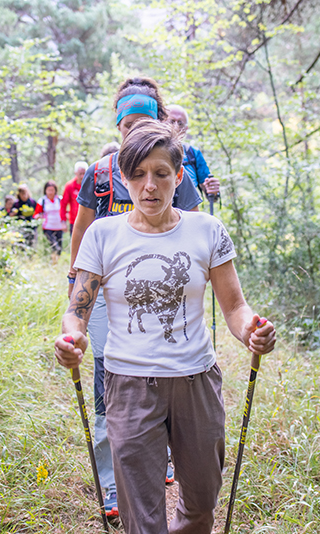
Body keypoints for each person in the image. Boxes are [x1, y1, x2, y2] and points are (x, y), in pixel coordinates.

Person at [55, 120, 276, 533]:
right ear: (123, 179)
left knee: (201, 503)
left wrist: (252, 331)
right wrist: (72, 338)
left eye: (160, 174)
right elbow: (76, 312)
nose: (149, 186)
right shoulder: (102, 235)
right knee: (141, 511)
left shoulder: (207, 230)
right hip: (130, 384)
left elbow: (235, 308)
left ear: (179, 176)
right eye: (137, 175)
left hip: (196, 381)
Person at [68, 77, 203, 518]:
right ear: (119, 126)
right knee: (110, 374)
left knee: (164, 370)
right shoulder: (102, 172)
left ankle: (158, 449)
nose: (134, 129)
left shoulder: (171, 169)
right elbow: (82, 229)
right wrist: (78, 295)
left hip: (165, 292)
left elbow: (195, 233)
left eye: (143, 120)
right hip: (108, 292)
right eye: (127, 123)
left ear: (160, 121)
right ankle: (113, 482)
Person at [166, 105, 220, 199]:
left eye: (180, 123)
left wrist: (213, 190)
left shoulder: (193, 153)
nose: (175, 127)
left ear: (186, 129)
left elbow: (209, 192)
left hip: (188, 210)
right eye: (171, 121)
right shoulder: (151, 151)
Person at [33, 180, 65, 260]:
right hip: (48, 227)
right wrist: (39, 216)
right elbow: (36, 214)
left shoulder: (60, 200)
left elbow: (64, 211)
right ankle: (52, 261)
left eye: (52, 190)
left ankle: (57, 262)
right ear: (45, 190)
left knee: (59, 248)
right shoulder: (42, 201)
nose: (50, 192)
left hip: (59, 227)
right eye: (49, 190)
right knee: (54, 246)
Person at [61, 161, 87, 236]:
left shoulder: (91, 185)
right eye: (80, 174)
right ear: (75, 173)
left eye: (84, 173)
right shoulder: (70, 186)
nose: (82, 176)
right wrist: (63, 221)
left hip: (88, 220)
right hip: (74, 221)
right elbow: (63, 204)